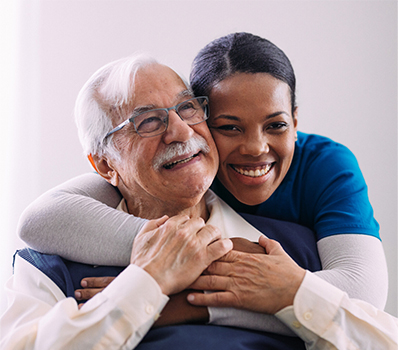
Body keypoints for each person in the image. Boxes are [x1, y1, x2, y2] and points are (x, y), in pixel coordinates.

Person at [8, 51, 396, 350]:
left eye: (188, 108)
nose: (181, 131)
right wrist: (147, 282)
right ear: (105, 165)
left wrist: (293, 295)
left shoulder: (296, 252)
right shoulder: (51, 261)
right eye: (147, 122)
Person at [18, 33, 388, 313]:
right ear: (205, 121)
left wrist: (179, 303)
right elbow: (40, 220)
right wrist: (176, 251)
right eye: (229, 127)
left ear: (294, 121)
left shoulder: (325, 166)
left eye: (275, 126)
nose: (256, 147)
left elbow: (362, 292)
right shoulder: (185, 165)